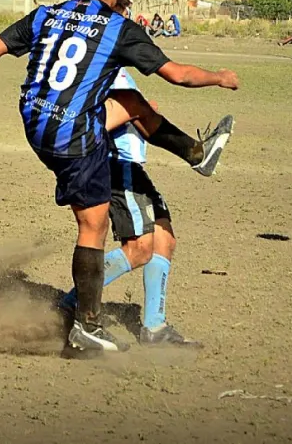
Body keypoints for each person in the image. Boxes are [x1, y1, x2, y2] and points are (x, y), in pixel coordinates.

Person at [0, 0, 239, 354]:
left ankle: (196, 154)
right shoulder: (118, 29)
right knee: (95, 229)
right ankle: (86, 324)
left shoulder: (46, 14)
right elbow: (179, 75)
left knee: (134, 106)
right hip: (75, 137)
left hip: (36, 124)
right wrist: (220, 77)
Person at [57, 51, 200, 347]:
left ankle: (154, 327)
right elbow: (95, 118)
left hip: (132, 167)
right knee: (138, 250)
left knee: (164, 239)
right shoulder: (99, 70)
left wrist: (142, 111)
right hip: (118, 165)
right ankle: (70, 304)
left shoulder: (118, 68)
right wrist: (137, 112)